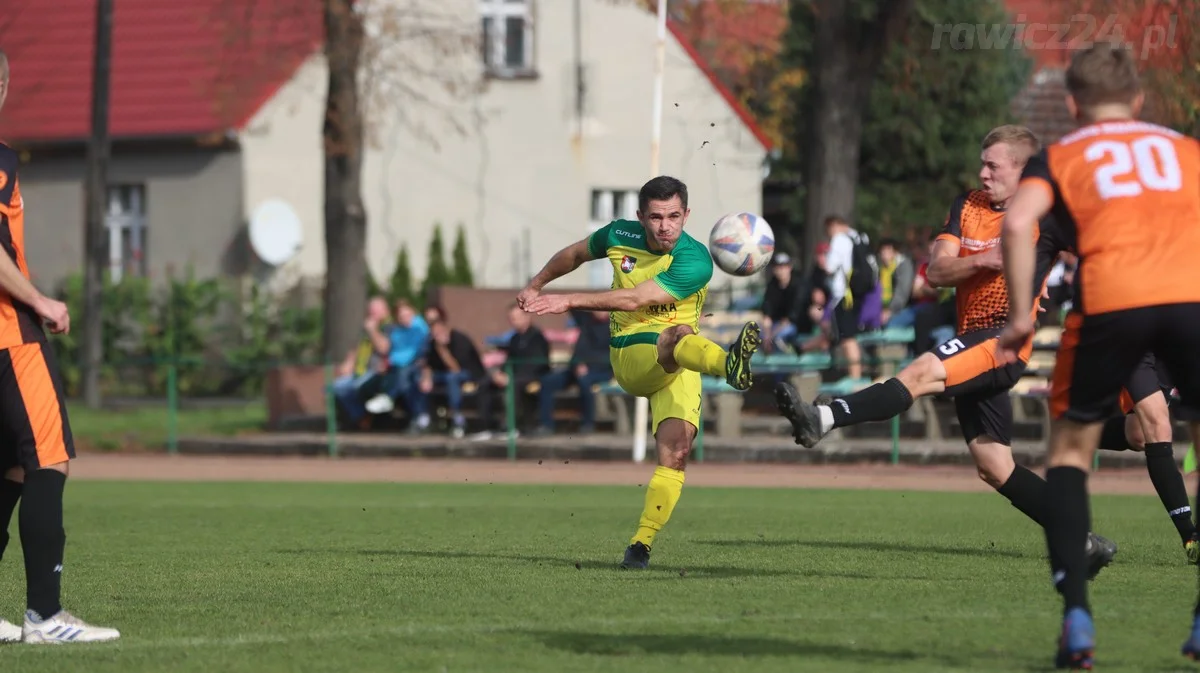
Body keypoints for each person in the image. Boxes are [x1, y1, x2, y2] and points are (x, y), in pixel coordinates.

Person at [774, 125, 1118, 581]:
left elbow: (1103, 247)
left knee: (921, 371)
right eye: (983, 162)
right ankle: (1080, 539)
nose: (982, 172)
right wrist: (984, 259)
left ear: (1024, 169)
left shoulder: (1047, 215)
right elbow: (936, 270)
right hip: (971, 338)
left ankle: (825, 418)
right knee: (994, 466)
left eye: (993, 165)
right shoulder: (967, 205)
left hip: (1003, 341)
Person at [994, 41, 1200, 668]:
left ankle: (1078, 619)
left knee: (1070, 451)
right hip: (1190, 299)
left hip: (1112, 302)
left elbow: (1014, 224)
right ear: (1139, 99)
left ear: (1073, 102)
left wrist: (1017, 313)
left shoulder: (1061, 155)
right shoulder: (1185, 148)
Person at [518, 175, 760, 569]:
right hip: (632, 352)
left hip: (683, 360)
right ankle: (728, 366)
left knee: (676, 454)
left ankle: (640, 545)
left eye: (674, 216)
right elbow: (576, 254)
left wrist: (570, 301)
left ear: (687, 215)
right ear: (640, 216)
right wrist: (537, 284)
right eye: (656, 217)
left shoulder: (695, 260)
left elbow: (635, 297)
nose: (665, 226)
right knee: (676, 334)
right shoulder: (618, 234)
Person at [0, 50, 120, 643]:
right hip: (8, 336)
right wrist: (41, 302)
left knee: (13, 469)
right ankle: (44, 617)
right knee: (48, 459)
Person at [1098, 354, 1198, 560]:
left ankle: (1071, 439)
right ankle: (1191, 537)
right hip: (1138, 338)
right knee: (1157, 427)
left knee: (1139, 434)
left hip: (1173, 341)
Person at [471, 304, 550, 439]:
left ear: (527, 317)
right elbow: (509, 360)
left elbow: (537, 364)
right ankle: (487, 426)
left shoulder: (538, 337)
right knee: (485, 384)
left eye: (515, 318)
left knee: (514, 385)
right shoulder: (514, 338)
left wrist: (510, 378)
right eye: (511, 318)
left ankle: (512, 426)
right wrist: (500, 374)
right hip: (513, 376)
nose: (513, 321)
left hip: (532, 377)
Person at [533, 310, 613, 436]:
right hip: (576, 369)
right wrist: (578, 365)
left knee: (584, 381)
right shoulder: (586, 322)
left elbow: (611, 356)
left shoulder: (615, 328)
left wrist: (588, 366)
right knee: (547, 381)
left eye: (602, 307)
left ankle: (587, 424)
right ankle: (546, 425)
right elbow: (574, 308)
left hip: (601, 370)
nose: (598, 311)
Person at [822, 215, 875, 380]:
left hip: (844, 295)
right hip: (857, 295)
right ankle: (856, 374)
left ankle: (855, 378)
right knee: (850, 336)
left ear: (833, 226)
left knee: (847, 338)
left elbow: (830, 267)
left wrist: (823, 260)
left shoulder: (839, 239)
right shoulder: (859, 236)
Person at [364, 300, 430, 432]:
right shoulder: (397, 331)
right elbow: (393, 351)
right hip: (401, 368)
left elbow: (414, 353)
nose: (406, 319)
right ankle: (419, 416)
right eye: (402, 317)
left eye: (408, 315)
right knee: (405, 383)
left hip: (418, 366)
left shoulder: (419, 328)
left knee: (407, 375)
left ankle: (389, 397)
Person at [421, 314, 485, 439]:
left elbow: (456, 368)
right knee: (420, 380)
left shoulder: (459, 340)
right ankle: (423, 417)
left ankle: (458, 417)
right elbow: (428, 365)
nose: (436, 335)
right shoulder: (432, 342)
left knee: (452, 378)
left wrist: (442, 349)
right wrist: (426, 378)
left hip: (469, 374)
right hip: (444, 374)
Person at [331, 296, 391, 427]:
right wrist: (348, 363)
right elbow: (356, 349)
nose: (371, 314)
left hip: (378, 372)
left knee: (357, 387)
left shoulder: (389, 326)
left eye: (375, 311)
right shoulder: (365, 329)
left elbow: (383, 348)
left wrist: (372, 331)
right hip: (361, 371)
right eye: (370, 311)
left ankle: (364, 419)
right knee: (338, 386)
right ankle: (360, 417)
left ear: (385, 311)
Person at [759, 253, 809, 352]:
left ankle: (785, 360)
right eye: (778, 267)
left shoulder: (798, 285)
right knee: (759, 335)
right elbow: (767, 314)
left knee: (778, 338)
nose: (780, 270)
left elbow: (792, 316)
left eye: (783, 267)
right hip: (776, 325)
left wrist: (772, 335)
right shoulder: (772, 286)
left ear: (789, 267)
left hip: (795, 326)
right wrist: (767, 334)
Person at [876, 238, 914, 328]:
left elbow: (902, 291)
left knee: (890, 324)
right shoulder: (879, 266)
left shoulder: (903, 266)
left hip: (899, 308)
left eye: (888, 250)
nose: (884, 254)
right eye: (882, 250)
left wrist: (890, 310)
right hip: (880, 307)